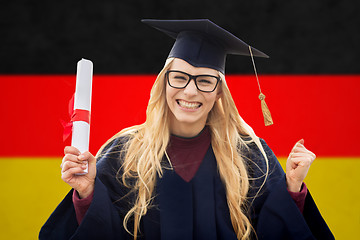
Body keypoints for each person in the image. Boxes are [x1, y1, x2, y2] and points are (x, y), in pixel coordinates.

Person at [39, 19, 334, 240]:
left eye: (205, 81)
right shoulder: (124, 153)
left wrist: (293, 188)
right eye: (179, 77)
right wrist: (88, 193)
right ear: (164, 82)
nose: (190, 92)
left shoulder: (251, 156)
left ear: (219, 92)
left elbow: (273, 231)